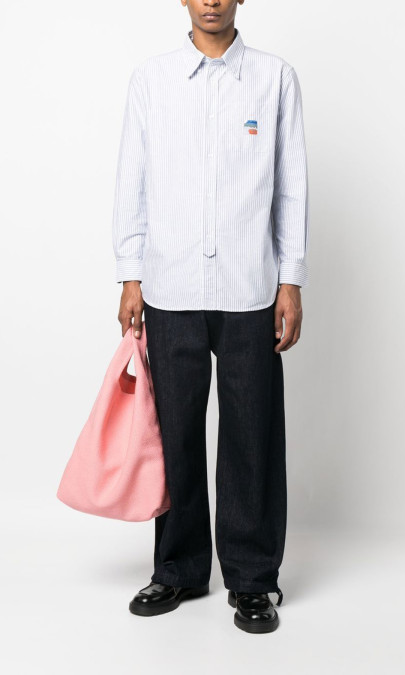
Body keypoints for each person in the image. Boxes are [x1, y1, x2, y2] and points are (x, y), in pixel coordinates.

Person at [111, 0, 309, 634]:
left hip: (251, 287)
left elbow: (291, 186)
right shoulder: (153, 79)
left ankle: (253, 579)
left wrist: (290, 280)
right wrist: (131, 273)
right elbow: (133, 179)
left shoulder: (275, 78)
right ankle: (179, 569)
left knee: (252, 435)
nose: (212, 0)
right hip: (170, 286)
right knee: (174, 436)